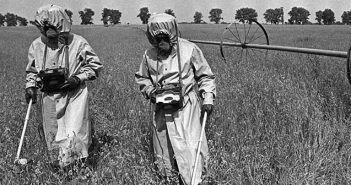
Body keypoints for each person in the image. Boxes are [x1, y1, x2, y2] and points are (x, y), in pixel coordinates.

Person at [135, 13, 216, 184]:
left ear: (172, 33)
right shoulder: (148, 55)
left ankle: (195, 180)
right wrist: (151, 92)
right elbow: (142, 78)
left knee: (190, 147)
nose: (161, 42)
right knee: (165, 149)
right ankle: (169, 179)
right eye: (157, 39)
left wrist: (208, 99)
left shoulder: (189, 49)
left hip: (186, 107)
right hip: (161, 109)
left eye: (164, 37)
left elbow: (205, 76)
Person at [25, 4, 102, 169]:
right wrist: (30, 86)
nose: (51, 35)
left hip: (74, 95)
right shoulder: (37, 45)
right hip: (49, 97)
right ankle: (58, 169)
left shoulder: (78, 43)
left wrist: (77, 78)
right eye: (46, 30)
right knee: (52, 134)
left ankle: (77, 169)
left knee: (74, 133)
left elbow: (95, 66)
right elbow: (32, 70)